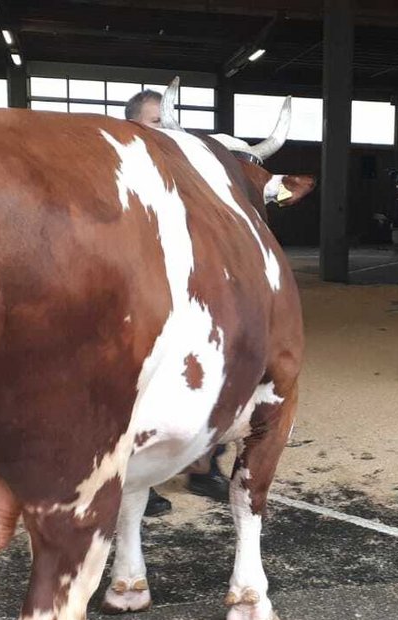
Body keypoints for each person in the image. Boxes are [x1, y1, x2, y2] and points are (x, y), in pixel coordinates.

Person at [124, 87, 232, 514]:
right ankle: (139, 480)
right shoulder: (124, 168)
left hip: (190, 290)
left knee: (207, 374)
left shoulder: (180, 166)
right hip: (142, 293)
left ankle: (204, 465)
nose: (167, 130)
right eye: (157, 122)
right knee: (139, 382)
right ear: (132, 125)